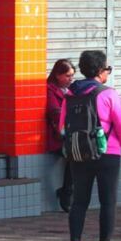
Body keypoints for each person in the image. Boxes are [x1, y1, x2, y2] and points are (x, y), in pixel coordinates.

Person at [61, 50, 121, 241]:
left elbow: (63, 126)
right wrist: (119, 144)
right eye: (107, 69)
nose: (108, 73)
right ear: (100, 71)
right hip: (107, 153)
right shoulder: (109, 94)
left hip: (78, 153)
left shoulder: (70, 95)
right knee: (107, 201)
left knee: (79, 201)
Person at [46, 58, 76, 212]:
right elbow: (54, 111)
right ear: (58, 75)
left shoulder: (71, 89)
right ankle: (66, 193)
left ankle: (68, 192)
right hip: (58, 136)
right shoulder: (50, 89)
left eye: (72, 76)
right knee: (73, 156)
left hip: (71, 133)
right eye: (67, 76)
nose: (70, 79)